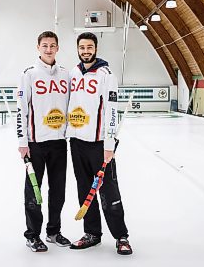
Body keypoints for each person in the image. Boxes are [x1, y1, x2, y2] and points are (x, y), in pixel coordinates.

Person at [66, 32, 132, 255]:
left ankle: (121, 236)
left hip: (99, 144)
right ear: (78, 49)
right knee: (85, 190)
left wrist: (109, 144)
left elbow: (112, 111)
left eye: (89, 47)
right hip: (76, 142)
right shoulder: (73, 73)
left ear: (96, 48)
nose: (86, 51)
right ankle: (92, 233)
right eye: (82, 47)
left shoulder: (106, 74)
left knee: (108, 190)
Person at [17, 31, 71, 252]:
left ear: (58, 48)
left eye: (53, 46)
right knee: (34, 192)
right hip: (35, 144)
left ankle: (53, 232)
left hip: (59, 143)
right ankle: (32, 235)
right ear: (38, 47)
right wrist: (22, 142)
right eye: (45, 45)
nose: (49, 49)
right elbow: (21, 110)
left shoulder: (66, 75)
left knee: (58, 191)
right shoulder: (28, 75)